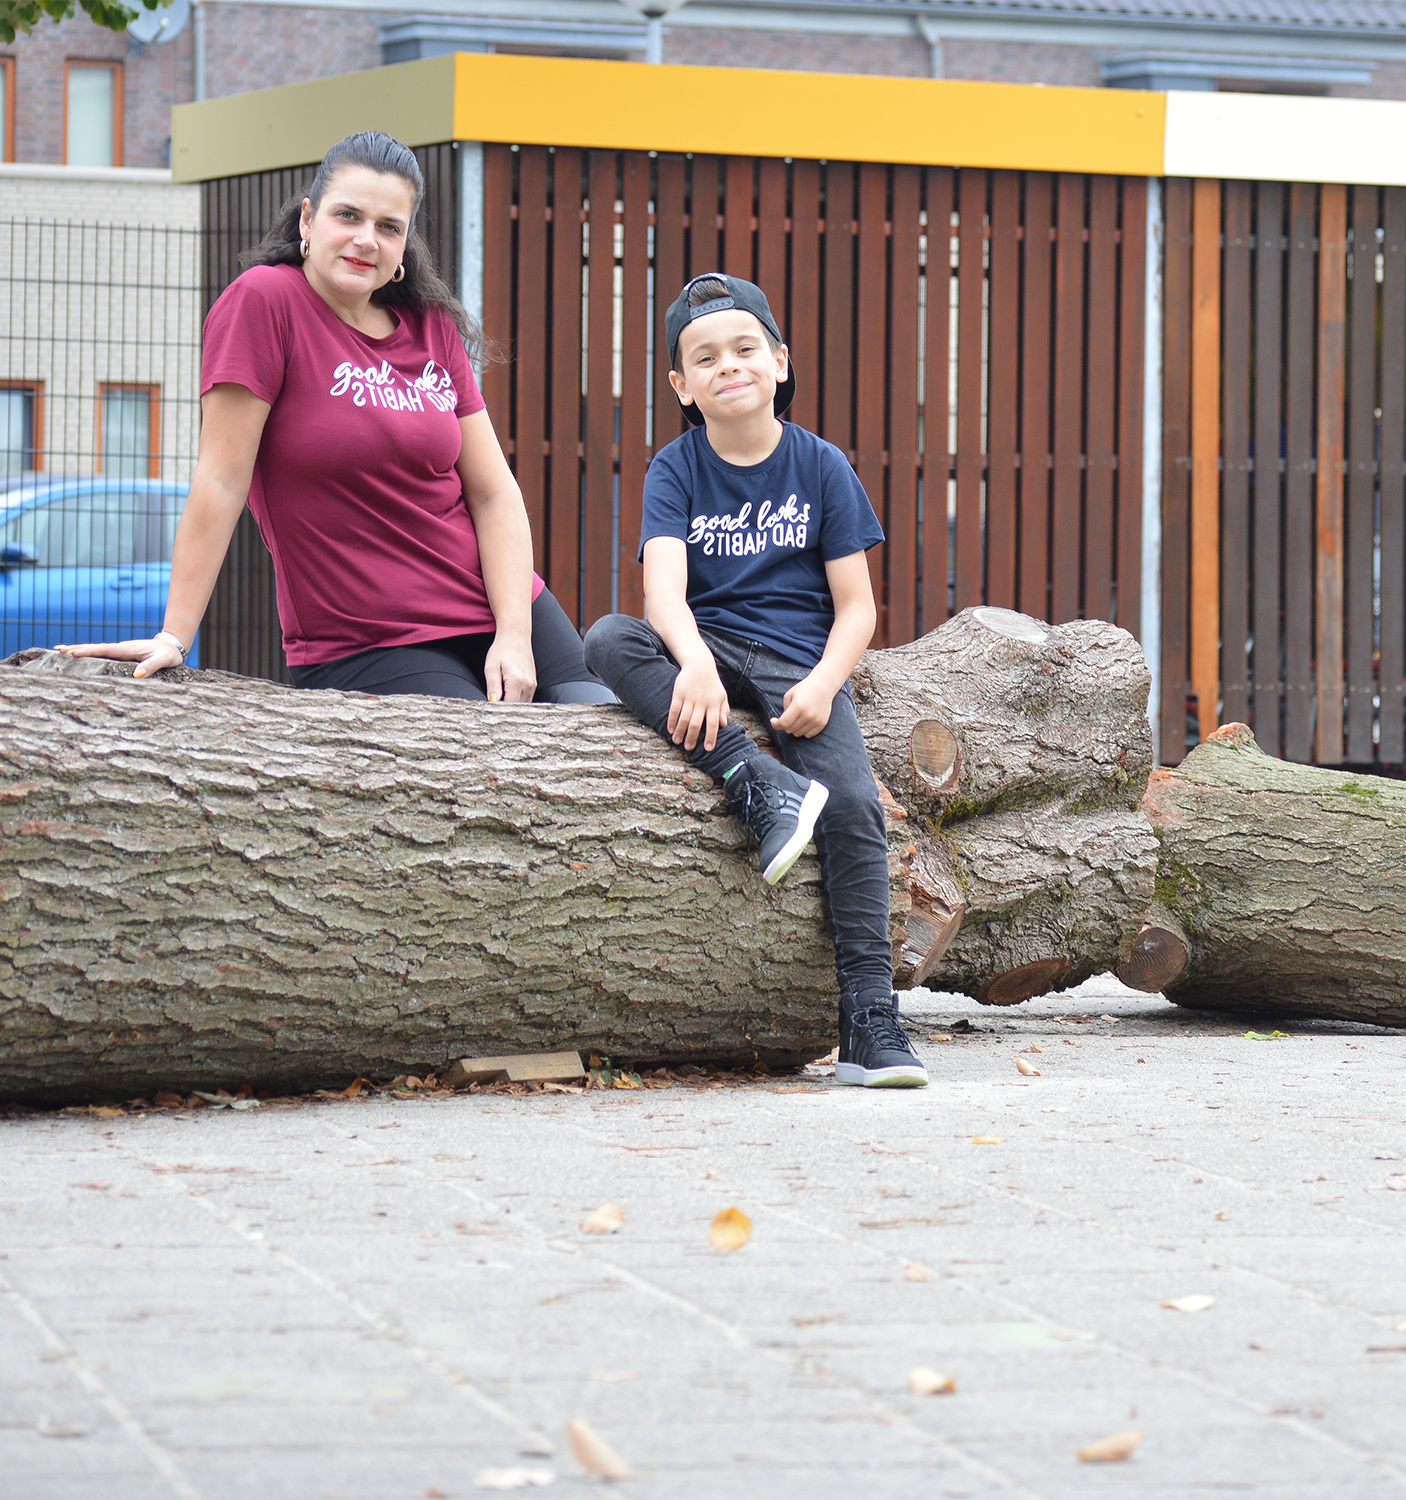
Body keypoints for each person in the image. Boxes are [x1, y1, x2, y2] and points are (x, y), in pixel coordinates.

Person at [58, 131, 612, 707]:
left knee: (599, 736)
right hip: (369, 639)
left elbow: (494, 493)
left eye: (388, 227)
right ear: (307, 219)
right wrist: (175, 635)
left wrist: (515, 635)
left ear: (404, 244)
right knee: (480, 765)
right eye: (348, 215)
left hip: (500, 604)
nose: (365, 240)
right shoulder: (264, 303)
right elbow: (220, 480)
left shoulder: (429, 327)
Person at [584, 273, 927, 1089]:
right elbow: (661, 592)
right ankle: (758, 782)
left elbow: (858, 607)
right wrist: (694, 661)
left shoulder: (822, 466)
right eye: (704, 357)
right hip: (707, 646)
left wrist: (823, 683)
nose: (726, 366)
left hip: (799, 661)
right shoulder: (676, 468)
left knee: (850, 807)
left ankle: (869, 1018)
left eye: (744, 349)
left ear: (779, 361)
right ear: (681, 385)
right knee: (606, 640)